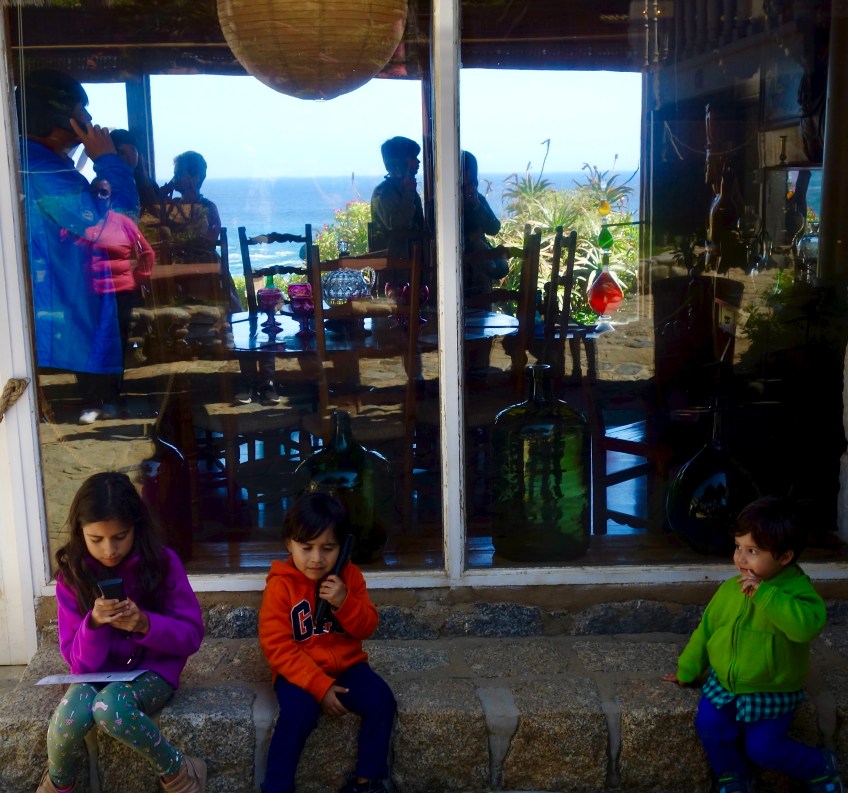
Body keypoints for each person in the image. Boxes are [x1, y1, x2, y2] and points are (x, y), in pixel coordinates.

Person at [37, 471, 206, 793]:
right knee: (69, 716)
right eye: (96, 539)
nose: (109, 550)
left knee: (109, 708)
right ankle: (58, 786)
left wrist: (145, 624)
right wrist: (94, 625)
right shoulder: (73, 575)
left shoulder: (162, 563)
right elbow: (77, 663)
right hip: (96, 673)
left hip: (154, 671)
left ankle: (181, 771)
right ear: (80, 532)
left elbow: (191, 635)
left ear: (137, 527)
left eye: (120, 536)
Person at [663, 496, 844, 793]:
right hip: (724, 685)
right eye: (738, 547)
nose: (740, 559)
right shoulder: (730, 590)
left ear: (784, 557)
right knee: (710, 727)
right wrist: (687, 669)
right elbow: (706, 632)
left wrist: (766, 595)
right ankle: (733, 776)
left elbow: (805, 628)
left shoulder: (797, 592)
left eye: (752, 551)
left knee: (763, 748)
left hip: (771, 690)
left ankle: (819, 766)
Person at [17, 69, 140, 424]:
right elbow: (119, 224)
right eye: (83, 112)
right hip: (70, 333)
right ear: (61, 119)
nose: (90, 120)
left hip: (65, 324)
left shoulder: (37, 163)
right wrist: (108, 159)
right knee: (94, 427)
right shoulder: (41, 169)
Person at [259, 492, 396, 793]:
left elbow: (368, 626)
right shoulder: (281, 586)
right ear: (289, 544)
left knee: (382, 701)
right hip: (298, 672)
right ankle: (276, 787)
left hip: (347, 666)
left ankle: (367, 782)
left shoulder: (350, 577)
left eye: (328, 548)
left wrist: (344, 601)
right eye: (306, 547)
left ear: (343, 546)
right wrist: (319, 687)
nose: (317, 558)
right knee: (298, 715)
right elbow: (277, 648)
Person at [73, 178, 155, 422]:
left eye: (103, 192)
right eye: (94, 192)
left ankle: (111, 400)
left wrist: (139, 279)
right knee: (86, 347)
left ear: (110, 197)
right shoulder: (78, 223)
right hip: (89, 296)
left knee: (115, 347)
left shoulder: (123, 223)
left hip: (120, 295)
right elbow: (64, 254)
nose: (98, 196)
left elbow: (147, 253)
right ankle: (91, 402)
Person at [369, 136, 425, 261]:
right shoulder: (383, 192)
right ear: (400, 162)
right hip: (394, 267)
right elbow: (398, 226)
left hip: (414, 263)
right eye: (413, 157)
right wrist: (408, 194)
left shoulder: (405, 190)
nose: (418, 162)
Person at [461, 150, 508, 299]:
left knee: (482, 305)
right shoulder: (446, 199)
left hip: (480, 269)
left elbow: (494, 228)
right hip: (457, 266)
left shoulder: (478, 199)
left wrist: (476, 205)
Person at [109, 128, 161, 219]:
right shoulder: (105, 185)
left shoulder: (149, 183)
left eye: (133, 149)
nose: (130, 156)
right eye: (122, 153)